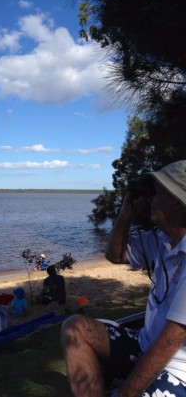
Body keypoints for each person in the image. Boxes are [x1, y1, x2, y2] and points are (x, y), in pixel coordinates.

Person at [62, 160, 186, 396]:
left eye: (157, 193)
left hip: (178, 370)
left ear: (179, 204)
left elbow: (171, 341)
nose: (150, 199)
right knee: (74, 328)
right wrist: (126, 213)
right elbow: (114, 255)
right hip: (145, 344)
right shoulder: (160, 241)